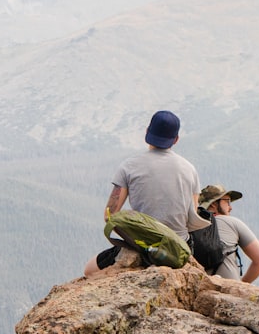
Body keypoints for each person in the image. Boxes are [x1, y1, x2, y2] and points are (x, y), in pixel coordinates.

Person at [83, 110, 208, 278]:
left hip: (144, 246)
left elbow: (109, 215)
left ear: (147, 133)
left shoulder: (129, 167)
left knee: (89, 271)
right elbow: (193, 214)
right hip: (179, 247)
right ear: (176, 139)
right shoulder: (189, 169)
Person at [198, 184, 259, 283]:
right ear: (214, 204)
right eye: (227, 202)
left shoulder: (192, 226)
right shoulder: (233, 223)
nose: (230, 208)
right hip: (228, 288)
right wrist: (242, 284)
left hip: (200, 287)